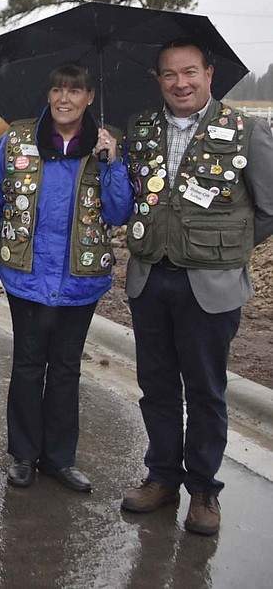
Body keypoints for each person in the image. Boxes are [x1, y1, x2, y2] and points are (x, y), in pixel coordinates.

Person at [119, 39, 273, 536]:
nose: (180, 83)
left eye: (190, 72)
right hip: (149, 279)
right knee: (156, 386)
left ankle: (203, 488)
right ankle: (162, 475)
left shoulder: (248, 131)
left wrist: (223, 246)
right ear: (158, 80)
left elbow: (269, 209)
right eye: (169, 74)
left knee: (206, 390)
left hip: (211, 286)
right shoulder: (139, 130)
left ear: (209, 74)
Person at [0, 63, 132, 491]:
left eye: (75, 91)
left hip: (80, 280)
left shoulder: (105, 146)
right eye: (57, 90)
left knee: (65, 369)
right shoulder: (16, 140)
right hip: (25, 275)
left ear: (89, 98)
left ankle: (60, 459)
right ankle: (24, 455)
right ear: (48, 95)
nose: (65, 99)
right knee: (28, 365)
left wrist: (113, 163)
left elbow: (119, 213)